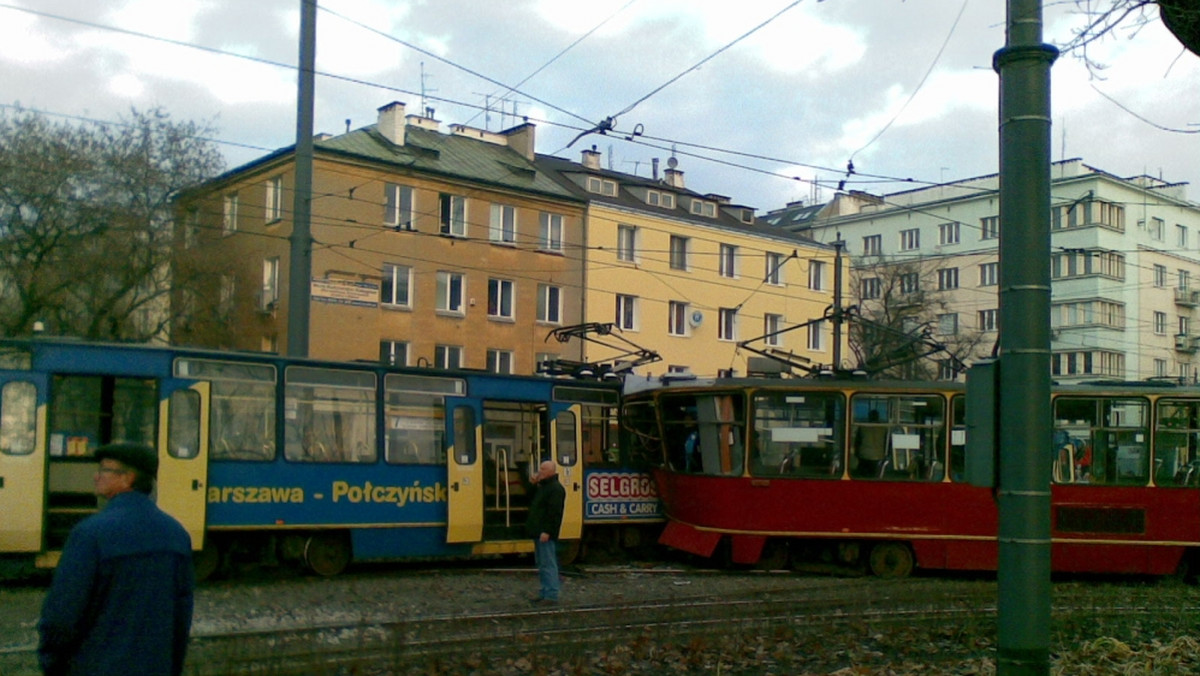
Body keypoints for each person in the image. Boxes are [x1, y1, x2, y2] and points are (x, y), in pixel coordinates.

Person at [38, 443, 195, 676]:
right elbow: (181, 618)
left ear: (128, 478)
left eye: (104, 470)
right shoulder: (177, 534)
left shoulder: (90, 534)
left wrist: (52, 663)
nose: (96, 476)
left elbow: (62, 614)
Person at [525, 460, 565, 605]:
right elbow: (529, 500)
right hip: (538, 530)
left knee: (548, 563)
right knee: (542, 563)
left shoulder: (556, 489)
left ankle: (551, 594)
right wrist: (533, 484)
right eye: (540, 468)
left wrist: (547, 531)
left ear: (551, 471)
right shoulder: (543, 487)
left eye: (543, 469)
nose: (540, 471)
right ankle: (545, 591)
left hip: (545, 532)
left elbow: (554, 513)